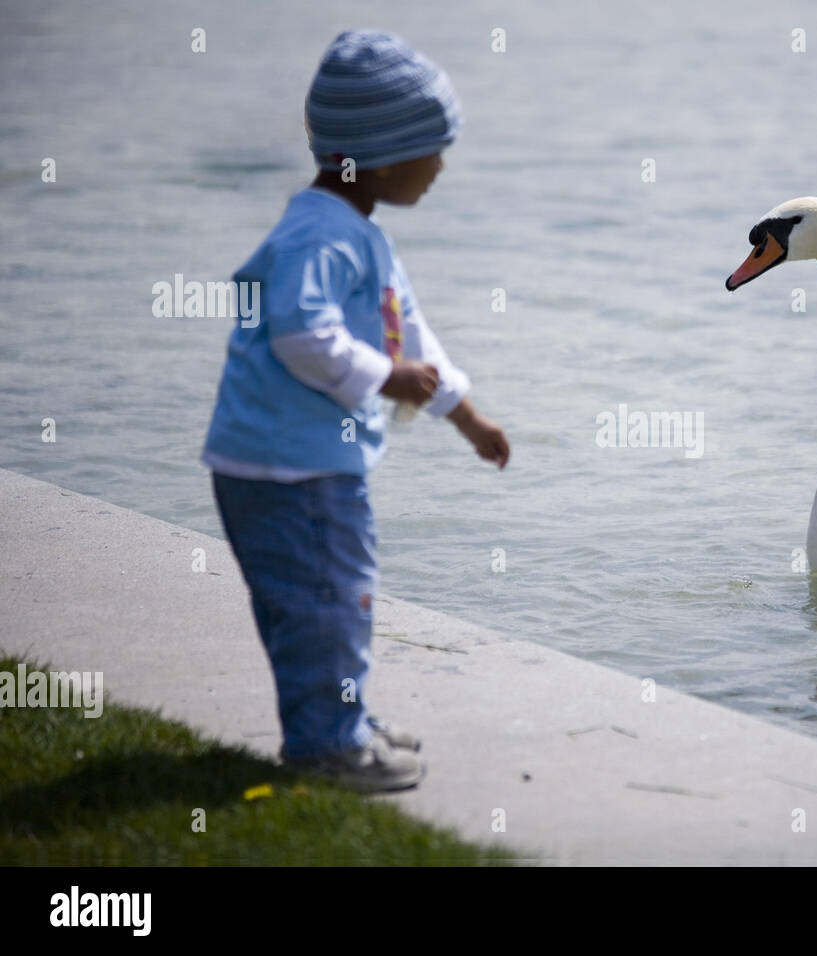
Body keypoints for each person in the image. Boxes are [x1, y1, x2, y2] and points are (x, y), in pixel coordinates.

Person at [201, 30, 509, 792]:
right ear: (381, 152)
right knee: (328, 606)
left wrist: (465, 416)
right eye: (431, 149)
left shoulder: (353, 232)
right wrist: (387, 378)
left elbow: (413, 335)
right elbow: (303, 336)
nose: (441, 166)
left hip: (282, 461)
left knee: (323, 603)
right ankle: (325, 750)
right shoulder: (321, 235)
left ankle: (337, 720)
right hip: (293, 470)